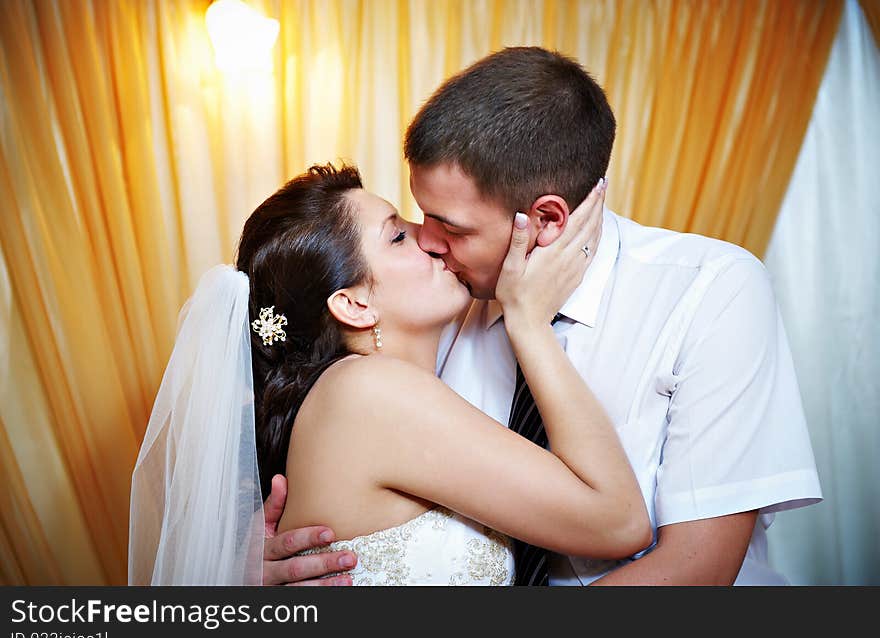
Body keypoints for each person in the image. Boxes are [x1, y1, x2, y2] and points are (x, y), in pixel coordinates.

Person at [265, 47, 823, 586]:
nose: (430, 242)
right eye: (410, 223)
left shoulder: (710, 289)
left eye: (451, 227)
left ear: (547, 219)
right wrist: (244, 570)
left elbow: (697, 569)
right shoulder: (438, 306)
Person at [129, 162, 652, 585]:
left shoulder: (365, 392)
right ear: (353, 305)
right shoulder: (370, 392)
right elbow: (619, 521)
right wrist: (530, 323)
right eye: (398, 236)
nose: (429, 237)